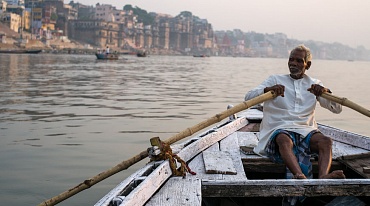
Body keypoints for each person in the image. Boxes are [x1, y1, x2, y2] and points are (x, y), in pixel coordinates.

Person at [244, 45, 346, 180]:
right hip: (279, 129)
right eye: (291, 60)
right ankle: (299, 175)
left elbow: (337, 109)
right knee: (283, 139)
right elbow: (248, 98)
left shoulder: (314, 84)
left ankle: (323, 178)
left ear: (307, 65)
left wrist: (325, 92)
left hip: (306, 131)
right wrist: (268, 90)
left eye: (298, 61)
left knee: (326, 141)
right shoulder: (275, 80)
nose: (293, 63)